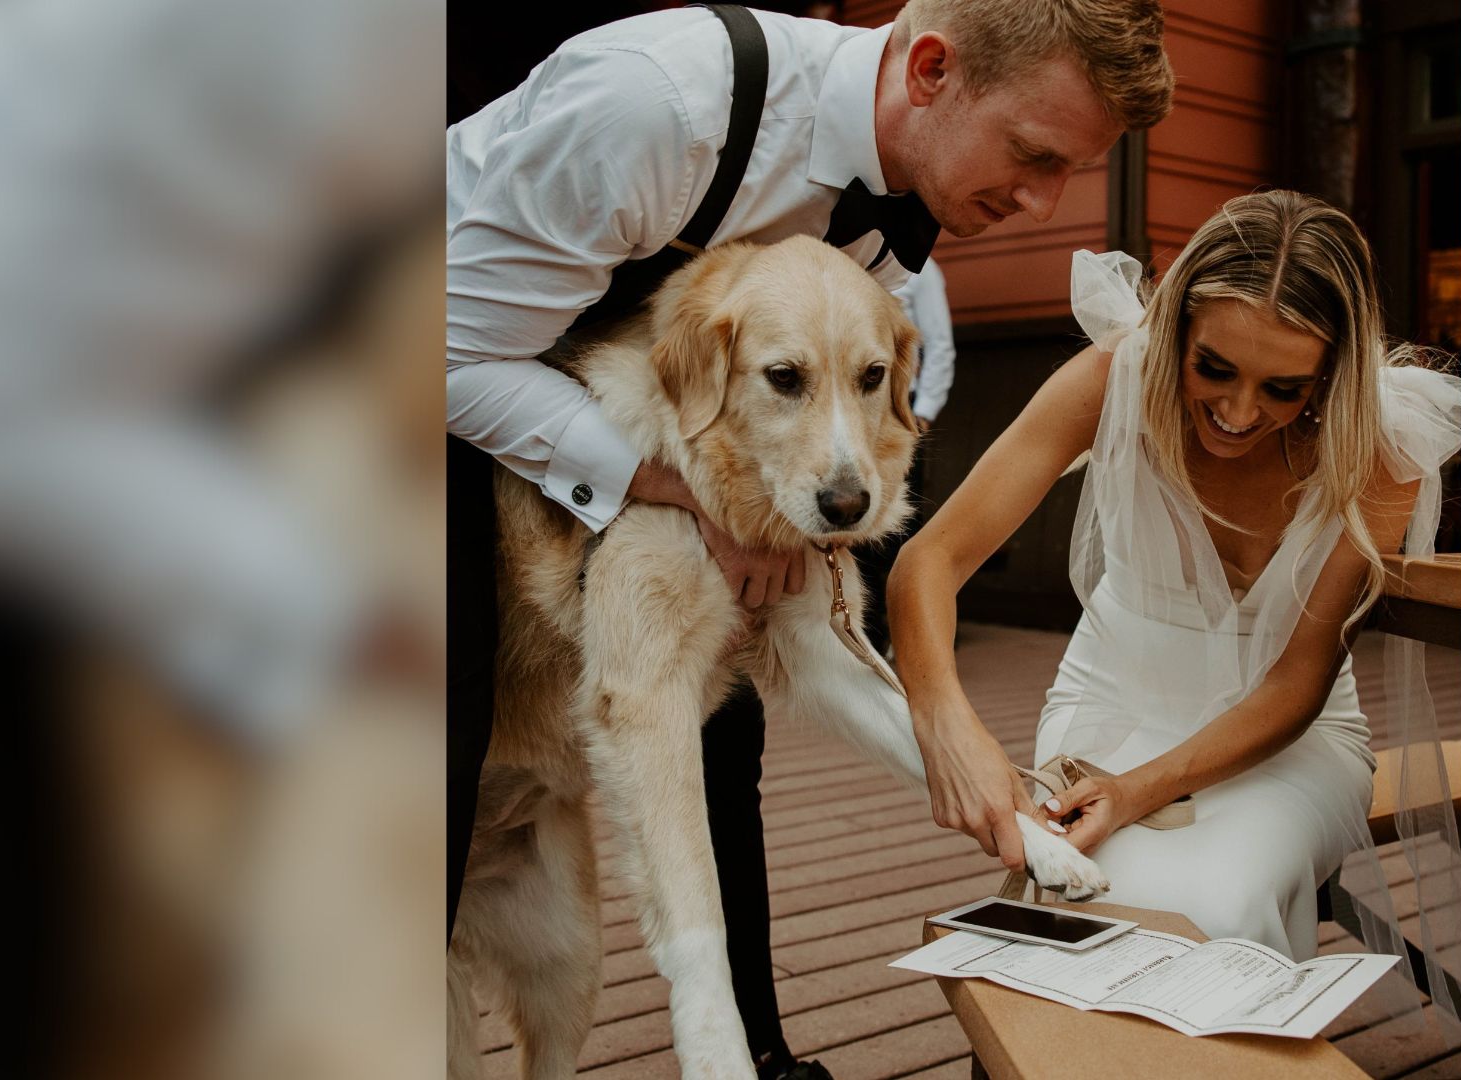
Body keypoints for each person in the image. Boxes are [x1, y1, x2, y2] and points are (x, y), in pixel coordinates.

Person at [446, 3, 1172, 1077]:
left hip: (620, 418)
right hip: (381, 400)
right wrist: (674, 486)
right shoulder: (657, 106)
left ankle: (748, 1046)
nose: (1041, 202)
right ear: (930, 70)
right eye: (1032, 155)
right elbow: (446, 351)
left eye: (1068, 171)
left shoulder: (895, 193)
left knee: (726, 710)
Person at [889, 192, 1461, 977]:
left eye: (1284, 389)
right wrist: (947, 723)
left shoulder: (1383, 445)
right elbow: (930, 561)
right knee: (1099, 894)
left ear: (1333, 373)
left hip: (1291, 740)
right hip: (1115, 702)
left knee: (1221, 899)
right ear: (1178, 333)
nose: (1237, 411)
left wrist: (1134, 792)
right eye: (1214, 367)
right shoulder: (1110, 379)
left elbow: (1297, 686)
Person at [862, 254, 956, 655]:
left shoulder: (922, 269)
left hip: (900, 413)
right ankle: (866, 634)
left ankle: (912, 633)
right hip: (855, 412)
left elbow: (938, 343)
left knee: (900, 526)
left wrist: (923, 413)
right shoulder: (852, 256)